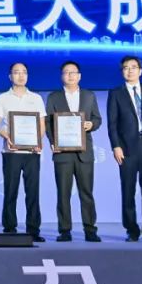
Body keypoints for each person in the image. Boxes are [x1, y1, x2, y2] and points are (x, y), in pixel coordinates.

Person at [107, 55, 142, 242]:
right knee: (128, 190)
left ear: (140, 71)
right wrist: (116, 146)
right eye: (126, 67)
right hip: (126, 148)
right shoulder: (115, 93)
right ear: (122, 72)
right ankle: (131, 230)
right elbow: (112, 124)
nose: (129, 70)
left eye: (133, 67)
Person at [45, 61, 102, 242]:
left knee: (87, 193)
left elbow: (97, 119)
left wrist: (91, 124)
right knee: (63, 193)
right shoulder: (54, 97)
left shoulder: (89, 95)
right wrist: (53, 142)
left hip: (84, 153)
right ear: (62, 76)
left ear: (79, 76)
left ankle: (90, 229)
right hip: (62, 153)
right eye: (66, 72)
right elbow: (48, 123)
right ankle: (64, 230)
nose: (70, 75)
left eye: (73, 72)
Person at [0, 61, 47, 242]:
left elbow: (42, 123)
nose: (21, 75)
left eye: (24, 72)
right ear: (10, 76)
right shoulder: (3, 98)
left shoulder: (36, 98)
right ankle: (9, 228)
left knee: (32, 192)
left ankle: (33, 230)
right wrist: (7, 136)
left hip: (32, 152)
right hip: (11, 152)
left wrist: (38, 140)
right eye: (16, 72)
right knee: (10, 191)